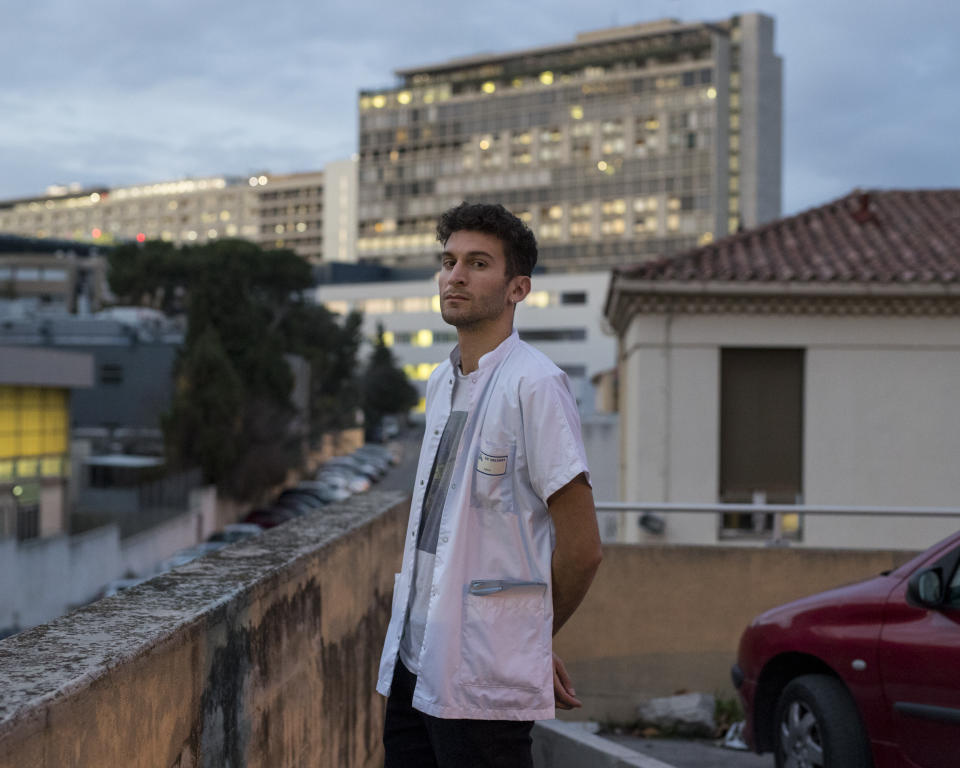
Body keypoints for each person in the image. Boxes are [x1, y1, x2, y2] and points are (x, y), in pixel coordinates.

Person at [376, 202, 603, 767]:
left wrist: (527, 640)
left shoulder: (536, 385)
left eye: (477, 263)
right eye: (449, 261)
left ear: (516, 288)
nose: (455, 275)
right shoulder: (439, 383)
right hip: (414, 657)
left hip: (482, 675)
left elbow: (583, 548)